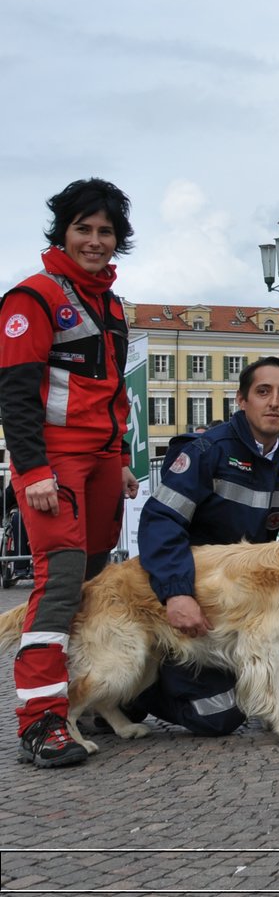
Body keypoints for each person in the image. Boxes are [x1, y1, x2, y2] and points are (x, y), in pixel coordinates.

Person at [1, 179, 139, 768]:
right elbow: (15, 394)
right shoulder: (31, 298)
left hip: (104, 460)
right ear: (63, 232)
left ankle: (79, 697)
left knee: (90, 581)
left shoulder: (109, 302)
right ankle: (40, 720)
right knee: (57, 586)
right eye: (83, 228)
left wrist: (125, 459)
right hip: (53, 462)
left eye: (105, 231)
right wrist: (31, 468)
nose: (94, 240)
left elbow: (112, 391)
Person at [137, 357, 279, 731]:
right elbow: (160, 522)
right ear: (242, 401)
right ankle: (139, 690)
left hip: (248, 597)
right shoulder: (207, 451)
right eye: (263, 392)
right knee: (219, 716)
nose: (274, 402)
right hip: (198, 595)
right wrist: (176, 593)